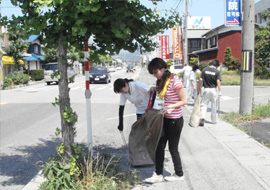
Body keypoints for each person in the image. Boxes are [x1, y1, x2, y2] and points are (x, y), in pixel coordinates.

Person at [145, 58, 187, 183]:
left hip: (175, 120)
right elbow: (165, 93)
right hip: (165, 119)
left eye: (155, 72)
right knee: (159, 146)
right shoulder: (162, 80)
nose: (155, 75)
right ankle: (158, 173)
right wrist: (155, 88)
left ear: (162, 68)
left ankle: (179, 174)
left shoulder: (175, 81)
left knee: (173, 148)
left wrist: (170, 107)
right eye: (152, 73)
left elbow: (184, 101)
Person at [197, 60, 221, 126]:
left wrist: (199, 89)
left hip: (206, 89)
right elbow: (218, 81)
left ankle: (202, 117)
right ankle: (213, 120)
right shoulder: (217, 71)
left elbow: (201, 80)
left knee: (204, 104)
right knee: (214, 105)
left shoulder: (204, 70)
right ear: (216, 65)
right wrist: (220, 91)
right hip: (213, 90)